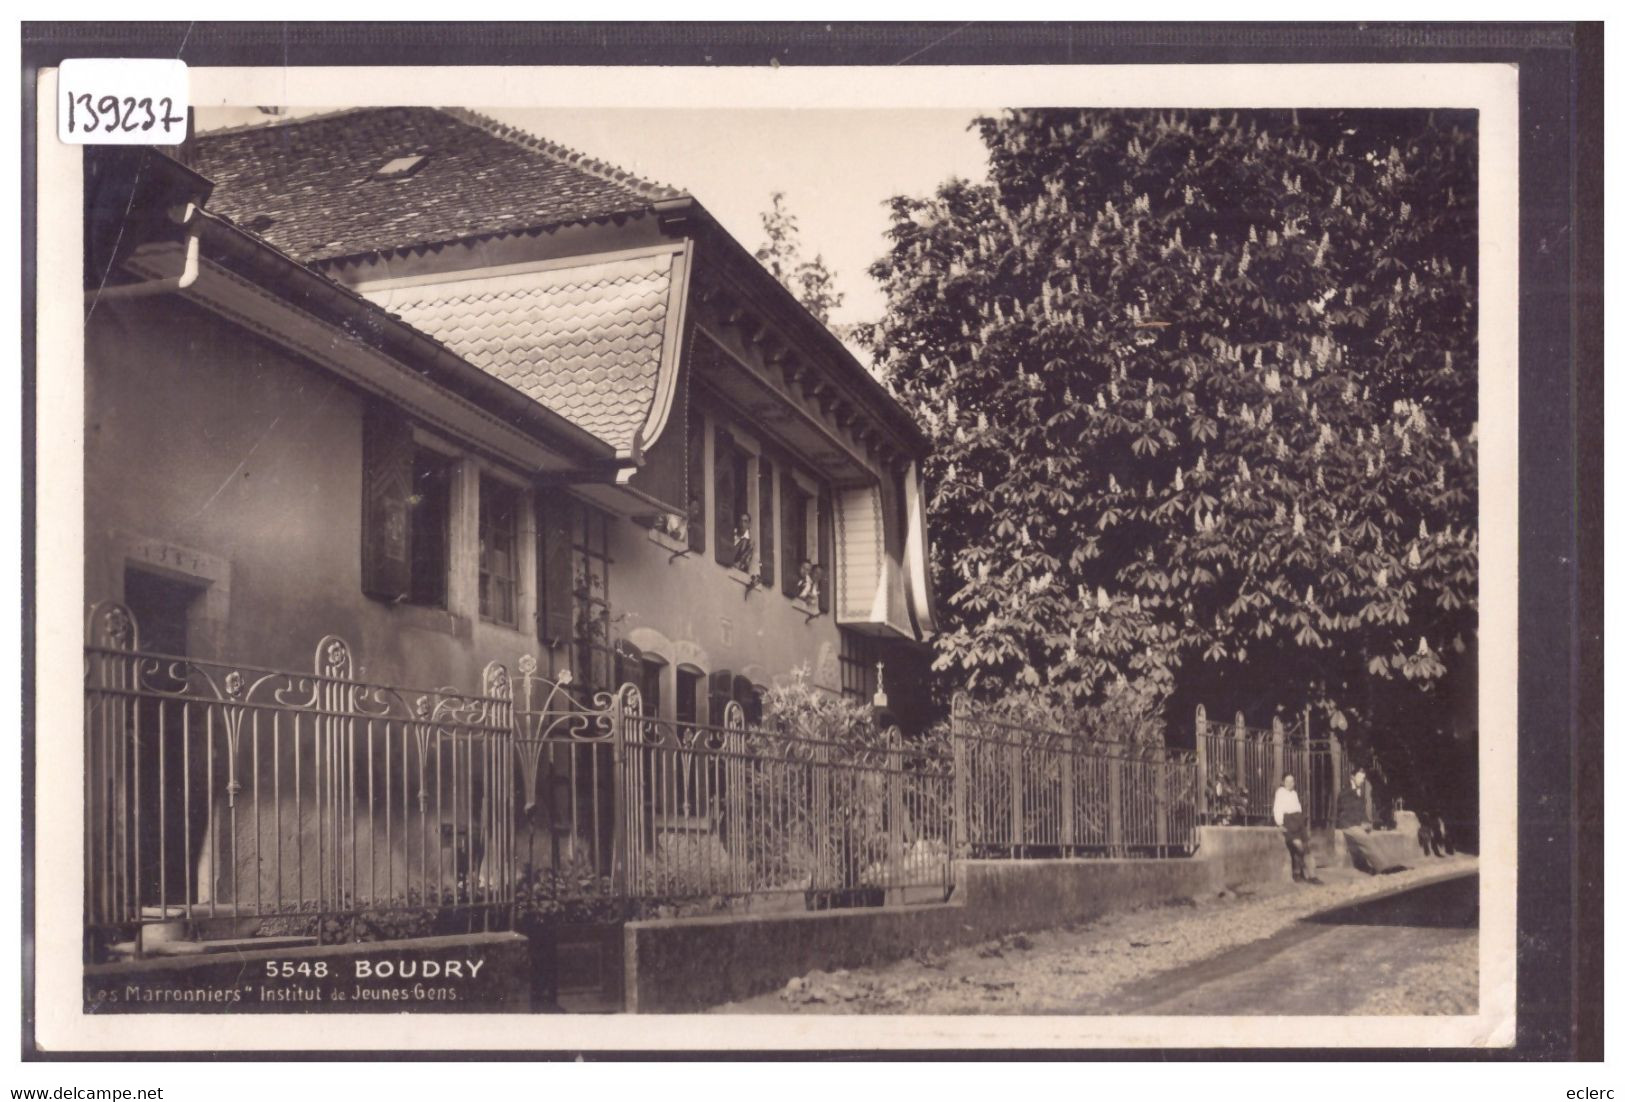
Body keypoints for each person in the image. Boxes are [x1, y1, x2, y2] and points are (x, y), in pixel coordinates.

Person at [1272, 773, 1319, 884]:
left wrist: (1301, 821)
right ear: (1283, 782)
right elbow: (1277, 808)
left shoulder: (1294, 793)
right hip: (1289, 821)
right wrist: (1279, 823)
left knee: (1306, 847)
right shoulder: (1280, 792)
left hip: (1298, 821)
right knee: (1299, 846)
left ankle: (1310, 876)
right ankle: (1301, 872)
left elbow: (1298, 807)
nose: (1290, 783)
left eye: (1292, 781)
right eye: (1287, 781)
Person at [1334, 766, 1380, 872]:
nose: (1362, 780)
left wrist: (1367, 822)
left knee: (1373, 839)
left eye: (1363, 778)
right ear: (1352, 777)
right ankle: (1380, 868)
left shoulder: (1360, 792)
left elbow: (1362, 811)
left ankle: (1381, 865)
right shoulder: (1345, 792)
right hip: (1347, 824)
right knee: (1367, 841)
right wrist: (1360, 824)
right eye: (1359, 777)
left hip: (1357, 824)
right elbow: (1347, 811)